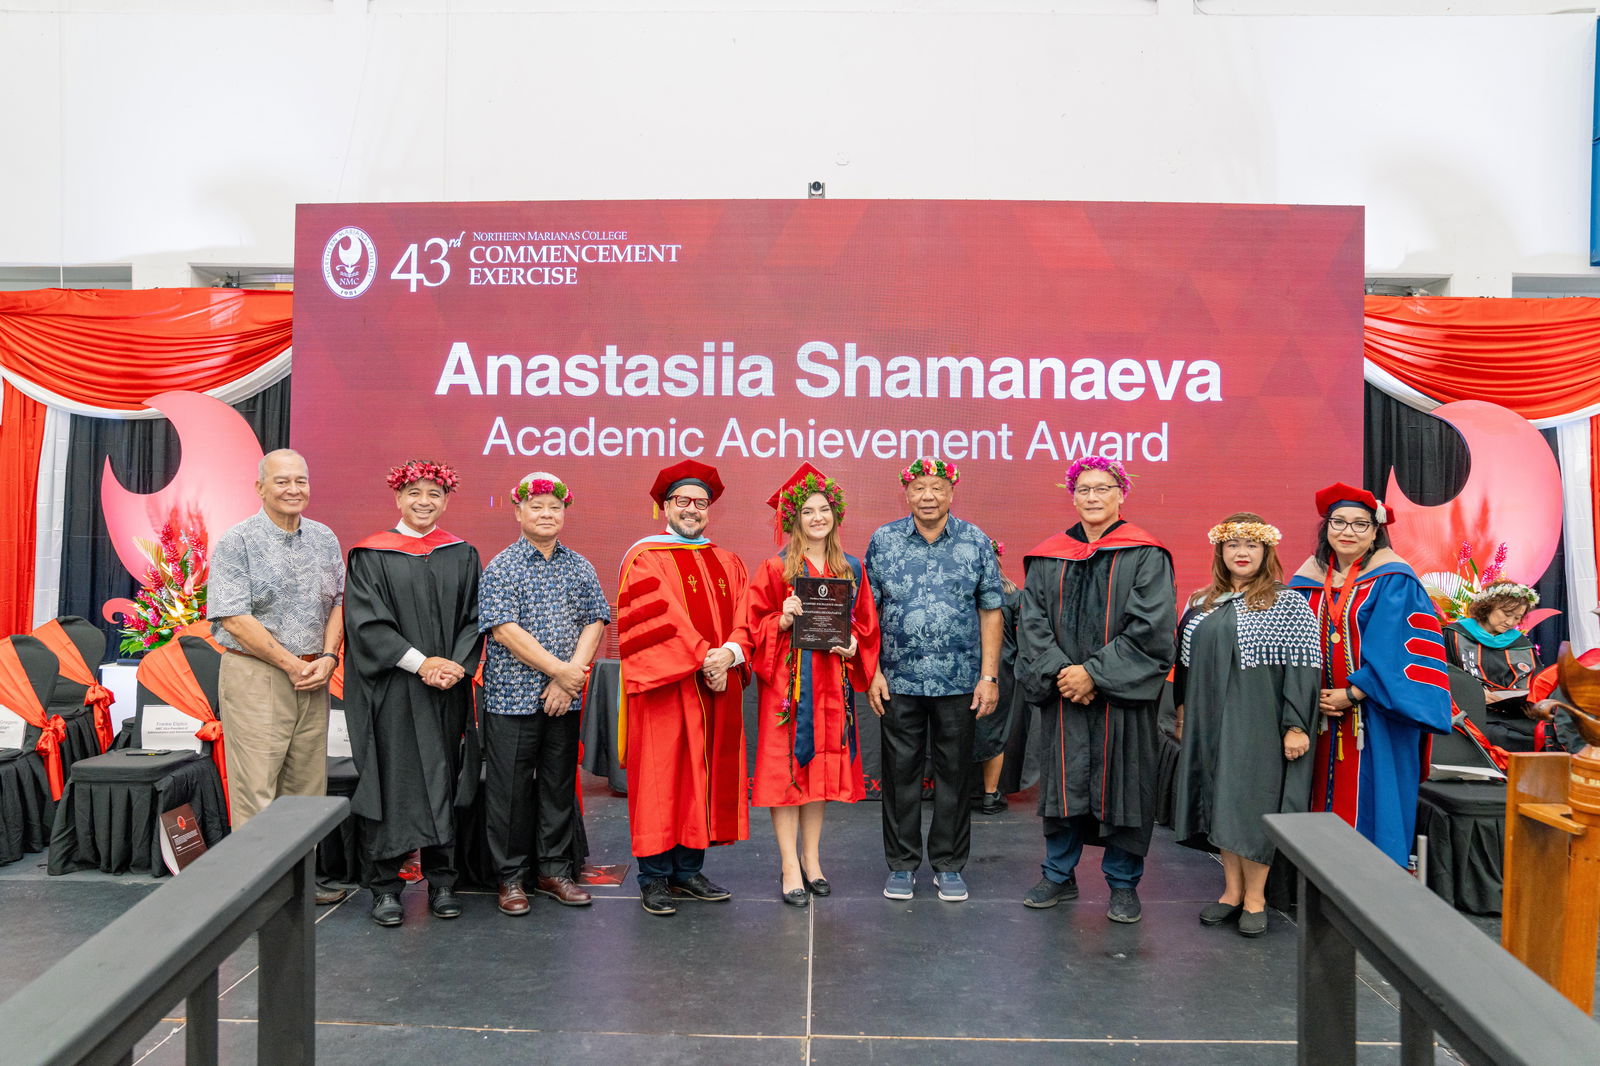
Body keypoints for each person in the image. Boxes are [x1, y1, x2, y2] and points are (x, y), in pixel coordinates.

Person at [1016, 456, 1175, 923]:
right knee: (1063, 789)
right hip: (1065, 697)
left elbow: (1151, 627)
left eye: (1102, 488)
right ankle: (1058, 875)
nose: (1092, 497)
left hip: (1119, 701)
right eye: (1084, 489)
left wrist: (1093, 675)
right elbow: (1032, 624)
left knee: (1124, 788)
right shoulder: (1049, 556)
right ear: (1073, 496)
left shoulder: (1145, 553)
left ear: (1120, 493)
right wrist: (1064, 672)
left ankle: (1123, 885)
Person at [344, 460, 483, 927]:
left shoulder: (462, 553)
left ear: (446, 500)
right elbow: (365, 624)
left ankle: (443, 880)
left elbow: (473, 619)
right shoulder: (371, 554)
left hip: (447, 690)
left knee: (445, 776)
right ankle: (385, 886)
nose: (425, 501)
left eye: (435, 494)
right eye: (415, 492)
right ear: (397, 498)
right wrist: (421, 663)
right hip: (394, 691)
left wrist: (455, 668)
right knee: (393, 779)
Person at [1288, 482, 1452, 868]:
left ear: (1376, 531)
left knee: (1377, 798)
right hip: (1319, 715)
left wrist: (1355, 692)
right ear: (1326, 527)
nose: (1347, 531)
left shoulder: (1394, 578)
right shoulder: (1305, 582)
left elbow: (1401, 646)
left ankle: (1376, 884)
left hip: (1379, 714)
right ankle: (1319, 882)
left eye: (1360, 524)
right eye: (1339, 522)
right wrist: (1310, 697)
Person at [1172, 513, 1321, 937]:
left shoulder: (1285, 601)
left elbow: (1303, 667)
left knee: (1252, 802)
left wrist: (1296, 724)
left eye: (1251, 545)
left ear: (1266, 551)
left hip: (1258, 718)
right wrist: (1182, 713)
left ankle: (1256, 896)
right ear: (1220, 551)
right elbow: (1185, 668)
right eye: (1233, 544)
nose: (1242, 552)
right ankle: (1231, 892)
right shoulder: (1201, 602)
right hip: (1208, 717)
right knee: (1221, 800)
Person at [208, 449, 347, 903]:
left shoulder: (325, 538)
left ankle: (299, 886)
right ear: (260, 488)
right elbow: (232, 617)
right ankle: (258, 895)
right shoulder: (237, 541)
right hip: (258, 673)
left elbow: (339, 603)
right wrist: (292, 664)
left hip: (314, 672)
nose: (293, 490)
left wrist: (328, 657)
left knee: (307, 787)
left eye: (301, 481)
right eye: (283, 481)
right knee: (257, 788)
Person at [616, 459, 751, 916]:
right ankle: (653, 877)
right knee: (661, 780)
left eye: (701, 503)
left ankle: (688, 869)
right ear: (665, 506)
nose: (692, 510)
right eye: (683, 501)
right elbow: (657, 620)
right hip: (664, 692)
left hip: (715, 689)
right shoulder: (644, 558)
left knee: (703, 778)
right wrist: (703, 657)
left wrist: (729, 655)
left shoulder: (728, 561)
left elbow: (745, 622)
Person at [865, 458, 1003, 903]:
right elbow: (867, 615)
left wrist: (989, 676)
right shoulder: (884, 541)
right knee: (900, 775)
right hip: (898, 682)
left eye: (938, 487)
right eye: (920, 487)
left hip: (960, 682)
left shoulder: (974, 541)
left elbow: (991, 610)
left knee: (954, 775)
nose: (929, 496)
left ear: (951, 492)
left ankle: (948, 865)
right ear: (906, 493)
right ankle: (902, 866)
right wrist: (873, 671)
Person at [746, 463, 880, 906]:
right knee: (785, 773)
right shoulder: (775, 568)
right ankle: (788, 866)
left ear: (834, 516)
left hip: (831, 686)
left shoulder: (852, 568)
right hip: (789, 686)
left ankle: (813, 860)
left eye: (824, 509)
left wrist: (852, 648)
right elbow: (751, 626)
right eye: (808, 511)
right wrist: (781, 618)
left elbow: (865, 627)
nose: (818, 517)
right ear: (794, 520)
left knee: (819, 771)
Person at [479, 472, 610, 917]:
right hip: (511, 700)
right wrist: (560, 672)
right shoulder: (502, 567)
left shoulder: (580, 566)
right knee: (510, 792)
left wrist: (570, 678)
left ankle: (555, 870)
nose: (547, 514)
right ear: (518, 512)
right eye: (537, 507)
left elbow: (596, 620)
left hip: (564, 699)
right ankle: (511, 878)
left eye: (555, 508)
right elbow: (504, 629)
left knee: (556, 786)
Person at [1442, 582, 1543, 752]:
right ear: (1488, 606)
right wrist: (1472, 692)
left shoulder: (1520, 643)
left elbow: (1537, 682)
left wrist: (1533, 705)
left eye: (1518, 617)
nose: (1511, 622)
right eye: (1506, 614)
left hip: (1514, 715)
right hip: (1472, 712)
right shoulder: (1455, 634)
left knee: (1543, 732)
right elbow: (1444, 674)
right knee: (1497, 734)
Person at [971, 540, 1022, 816]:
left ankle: (959, 793)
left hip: (971, 671)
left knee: (966, 732)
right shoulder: (1014, 595)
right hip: (1000, 674)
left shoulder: (966, 592)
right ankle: (990, 795)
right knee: (993, 733)